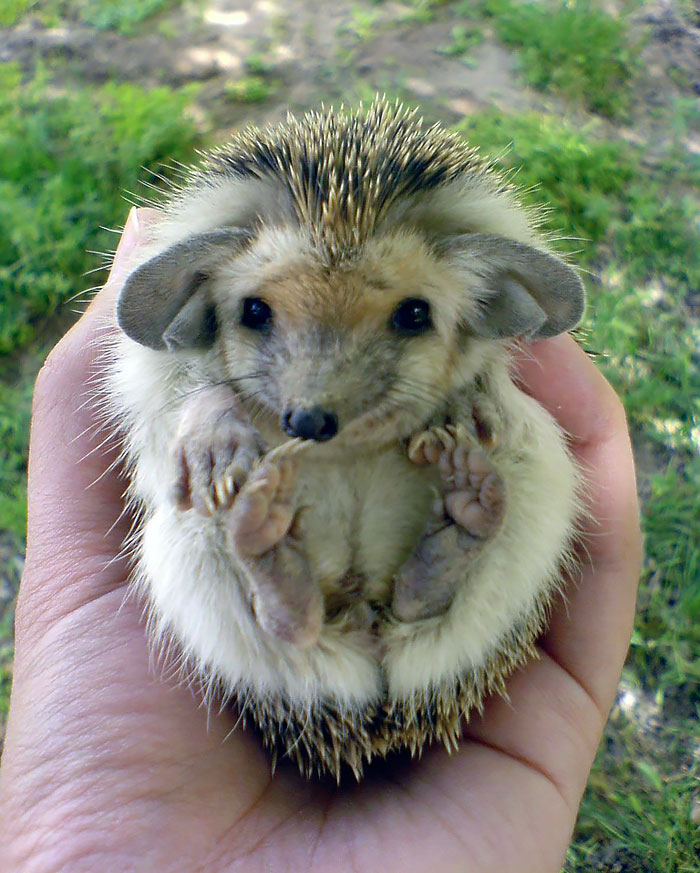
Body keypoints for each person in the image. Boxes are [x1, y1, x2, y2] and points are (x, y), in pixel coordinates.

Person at [0, 208, 642, 873]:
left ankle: (304, 590)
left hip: (316, 575)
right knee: (193, 454)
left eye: (408, 317)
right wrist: (208, 406)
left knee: (514, 433)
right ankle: (401, 585)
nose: (312, 399)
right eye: (257, 314)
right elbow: (160, 403)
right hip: (341, 596)